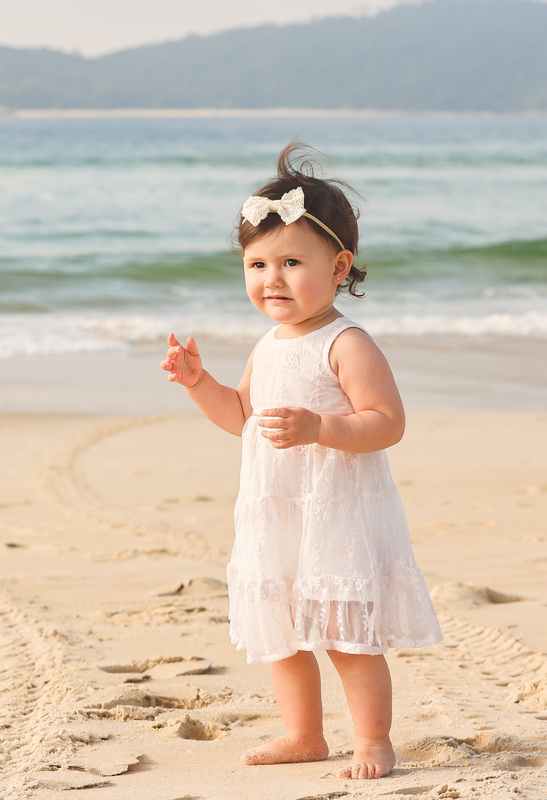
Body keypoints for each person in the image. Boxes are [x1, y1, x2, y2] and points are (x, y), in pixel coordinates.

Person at [161, 141, 442, 780]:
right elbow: (243, 419)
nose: (272, 279)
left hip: (334, 510)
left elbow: (387, 423)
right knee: (282, 634)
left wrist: (322, 426)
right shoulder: (268, 344)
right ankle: (304, 734)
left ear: (340, 265)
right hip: (277, 511)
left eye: (291, 262)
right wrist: (200, 383)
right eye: (257, 264)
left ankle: (373, 741)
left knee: (346, 637)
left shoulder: (345, 343)